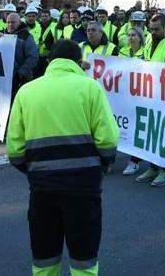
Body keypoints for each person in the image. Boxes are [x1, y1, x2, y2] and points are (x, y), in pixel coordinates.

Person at [7, 39, 119, 276]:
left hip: (42, 189)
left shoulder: (26, 91)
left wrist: (35, 170)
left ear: (50, 61)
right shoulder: (90, 88)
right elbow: (107, 140)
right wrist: (103, 165)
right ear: (79, 62)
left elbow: (15, 150)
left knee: (45, 259)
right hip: (83, 188)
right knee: (84, 260)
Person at [130, 14, 165, 186]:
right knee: (150, 134)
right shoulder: (151, 41)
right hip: (149, 94)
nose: (153, 32)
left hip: (164, 98)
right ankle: (153, 166)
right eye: (151, 29)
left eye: (157, 29)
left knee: (163, 134)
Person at [1, 12, 39, 96]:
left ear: (19, 22)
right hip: (1, 76)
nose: (10, 25)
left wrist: (20, 74)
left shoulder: (26, 37)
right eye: (8, 22)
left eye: (13, 22)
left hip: (18, 78)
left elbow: (33, 57)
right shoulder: (1, 34)